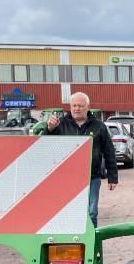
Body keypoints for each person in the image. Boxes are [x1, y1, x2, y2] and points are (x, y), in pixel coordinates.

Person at [46, 92, 118, 226]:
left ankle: (92, 245)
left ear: (88, 107)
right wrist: (49, 129)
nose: (76, 109)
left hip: (92, 177)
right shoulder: (60, 126)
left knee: (91, 213)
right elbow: (45, 147)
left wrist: (112, 177)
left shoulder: (99, 126)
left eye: (80, 105)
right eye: (74, 106)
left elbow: (109, 152)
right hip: (67, 179)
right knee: (69, 212)